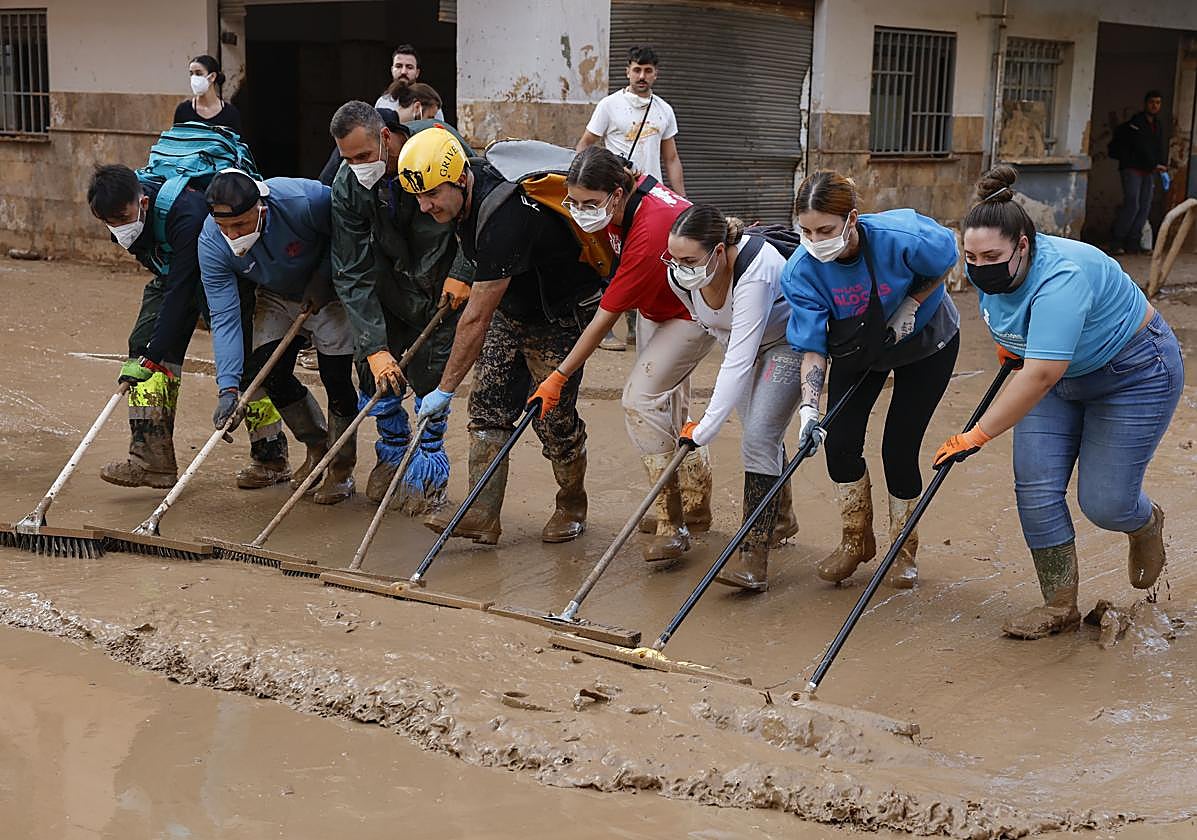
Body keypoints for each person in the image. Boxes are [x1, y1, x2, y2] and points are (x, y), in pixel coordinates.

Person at [934, 165, 1182, 639]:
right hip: (1056, 375)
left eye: (991, 255)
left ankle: (1144, 522)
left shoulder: (1061, 276)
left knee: (1105, 503)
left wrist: (977, 434)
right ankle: (1059, 605)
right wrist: (1012, 345)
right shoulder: (992, 271)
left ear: (1023, 246)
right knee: (1035, 486)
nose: (978, 264)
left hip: (1132, 374)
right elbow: (1018, 337)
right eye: (970, 255)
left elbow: (1042, 374)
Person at [397, 126, 607, 545]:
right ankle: (482, 512)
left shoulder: (506, 219)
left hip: (559, 314)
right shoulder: (465, 191)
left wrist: (443, 389)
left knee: (553, 419)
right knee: (488, 407)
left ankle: (572, 503)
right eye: (417, 197)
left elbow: (475, 318)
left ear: (459, 179)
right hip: (513, 307)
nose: (424, 206)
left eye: (431, 195)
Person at [529, 147, 717, 563]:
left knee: (638, 399)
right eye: (573, 202)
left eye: (591, 203)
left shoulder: (650, 230)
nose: (581, 211)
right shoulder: (628, 193)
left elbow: (603, 321)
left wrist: (557, 377)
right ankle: (694, 503)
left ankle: (673, 522)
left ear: (617, 194)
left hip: (696, 311)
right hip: (661, 304)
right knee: (666, 407)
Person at [782, 170, 960, 590]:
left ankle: (904, 549)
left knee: (898, 447)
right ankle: (855, 539)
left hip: (925, 340)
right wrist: (809, 408)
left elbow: (947, 258)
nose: (815, 239)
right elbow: (812, 345)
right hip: (860, 346)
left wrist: (913, 303)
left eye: (825, 229)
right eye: (805, 230)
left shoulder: (902, 236)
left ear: (852, 219)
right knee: (839, 442)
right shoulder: (801, 272)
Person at [86, 164, 277, 489]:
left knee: (243, 360)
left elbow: (182, 289)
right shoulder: (116, 214)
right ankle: (151, 460)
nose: (116, 228)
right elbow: (166, 278)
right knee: (142, 354)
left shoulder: (186, 213)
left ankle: (271, 456)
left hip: (213, 275)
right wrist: (150, 355)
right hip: (171, 276)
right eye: (109, 222)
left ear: (142, 202)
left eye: (120, 219)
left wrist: (156, 351)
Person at [329, 102, 472, 514]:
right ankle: (391, 454)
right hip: (390, 281)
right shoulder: (349, 185)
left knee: (432, 374)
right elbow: (350, 269)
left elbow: (479, 207)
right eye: (347, 158)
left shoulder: (439, 146)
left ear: (386, 137)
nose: (357, 166)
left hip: (445, 281)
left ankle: (429, 465)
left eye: (362, 155)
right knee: (373, 369)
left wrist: (465, 268)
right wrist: (373, 347)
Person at [200, 169, 360, 503]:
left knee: (337, 380)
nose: (232, 236)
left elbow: (348, 231)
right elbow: (226, 317)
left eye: (241, 225)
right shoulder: (211, 244)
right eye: (223, 227)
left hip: (328, 295)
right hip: (275, 296)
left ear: (262, 209)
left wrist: (325, 276)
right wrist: (228, 388)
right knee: (269, 373)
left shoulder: (305, 201)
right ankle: (318, 446)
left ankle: (341, 467)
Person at [664, 205, 803, 591]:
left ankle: (752, 557)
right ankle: (780, 519)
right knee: (762, 433)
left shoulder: (756, 270)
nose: (679, 267)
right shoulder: (681, 274)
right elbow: (715, 327)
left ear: (719, 252)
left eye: (690, 259)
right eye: (673, 258)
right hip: (741, 346)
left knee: (758, 436)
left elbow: (740, 357)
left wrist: (705, 426)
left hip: (787, 343)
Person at [578, 46, 684, 352]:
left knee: (647, 260)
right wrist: (586, 185)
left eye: (648, 70)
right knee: (612, 259)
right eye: (637, 69)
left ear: (656, 73)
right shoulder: (610, 105)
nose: (642, 76)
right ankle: (606, 327)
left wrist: (681, 201)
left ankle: (637, 327)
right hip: (617, 199)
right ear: (627, 71)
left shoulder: (664, 110)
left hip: (650, 201)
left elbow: (672, 157)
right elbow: (585, 145)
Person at [1108, 90, 1168, 256]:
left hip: (1149, 171)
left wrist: (1161, 163)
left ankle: (1134, 242)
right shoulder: (1136, 123)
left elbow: (1157, 147)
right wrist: (1155, 164)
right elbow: (1140, 148)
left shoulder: (1157, 125)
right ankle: (1117, 241)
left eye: (1158, 103)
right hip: (1133, 169)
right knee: (1132, 205)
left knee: (1144, 207)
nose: (1155, 106)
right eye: (1152, 102)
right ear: (1145, 104)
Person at [174, 55, 242, 134]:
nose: (193, 78)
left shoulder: (230, 113)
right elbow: (176, 142)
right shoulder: (183, 110)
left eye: (198, 73)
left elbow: (239, 144)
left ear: (212, 76)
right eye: (191, 74)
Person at [375, 44, 445, 120]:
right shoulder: (383, 102)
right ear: (392, 70)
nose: (403, 72)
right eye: (398, 66)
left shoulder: (430, 103)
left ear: (417, 73)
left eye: (409, 67)